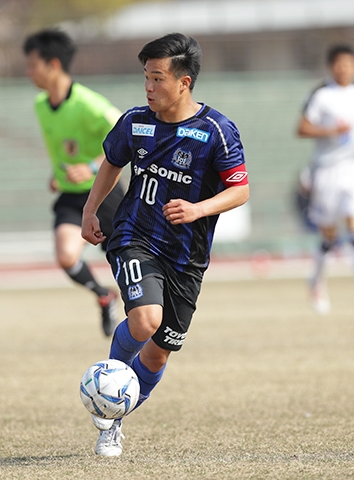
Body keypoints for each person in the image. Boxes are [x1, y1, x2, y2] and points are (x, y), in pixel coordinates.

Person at [81, 33, 249, 457]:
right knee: (144, 321)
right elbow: (111, 164)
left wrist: (198, 209)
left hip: (187, 258)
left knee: (157, 357)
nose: (148, 87)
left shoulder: (216, 130)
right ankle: (109, 399)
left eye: (157, 78)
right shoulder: (135, 121)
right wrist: (90, 210)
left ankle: (113, 415)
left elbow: (240, 190)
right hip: (134, 237)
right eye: (146, 77)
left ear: (184, 82)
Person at [23, 29, 125, 336]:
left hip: (104, 193)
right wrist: (59, 174)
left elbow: (126, 129)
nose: (29, 72)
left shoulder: (88, 103)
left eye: (32, 65)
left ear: (53, 64)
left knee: (124, 264)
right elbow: (64, 151)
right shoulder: (42, 106)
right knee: (66, 255)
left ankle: (142, 318)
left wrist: (93, 165)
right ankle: (104, 296)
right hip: (71, 196)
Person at [296, 44, 354, 319]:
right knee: (328, 237)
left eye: (350, 64)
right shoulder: (321, 96)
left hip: (353, 168)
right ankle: (316, 283)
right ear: (332, 66)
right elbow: (302, 128)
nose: (345, 68)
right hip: (326, 170)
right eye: (340, 64)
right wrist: (331, 130)